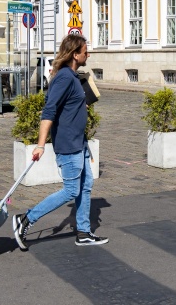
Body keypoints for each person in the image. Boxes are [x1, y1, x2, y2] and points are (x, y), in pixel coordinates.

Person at [12, 34, 108, 250]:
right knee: (71, 191)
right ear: (75, 54)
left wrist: (79, 107)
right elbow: (49, 110)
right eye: (85, 51)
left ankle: (83, 232)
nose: (88, 54)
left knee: (86, 186)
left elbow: (66, 106)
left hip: (79, 142)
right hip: (68, 144)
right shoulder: (64, 77)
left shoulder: (72, 76)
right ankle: (26, 219)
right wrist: (40, 144)